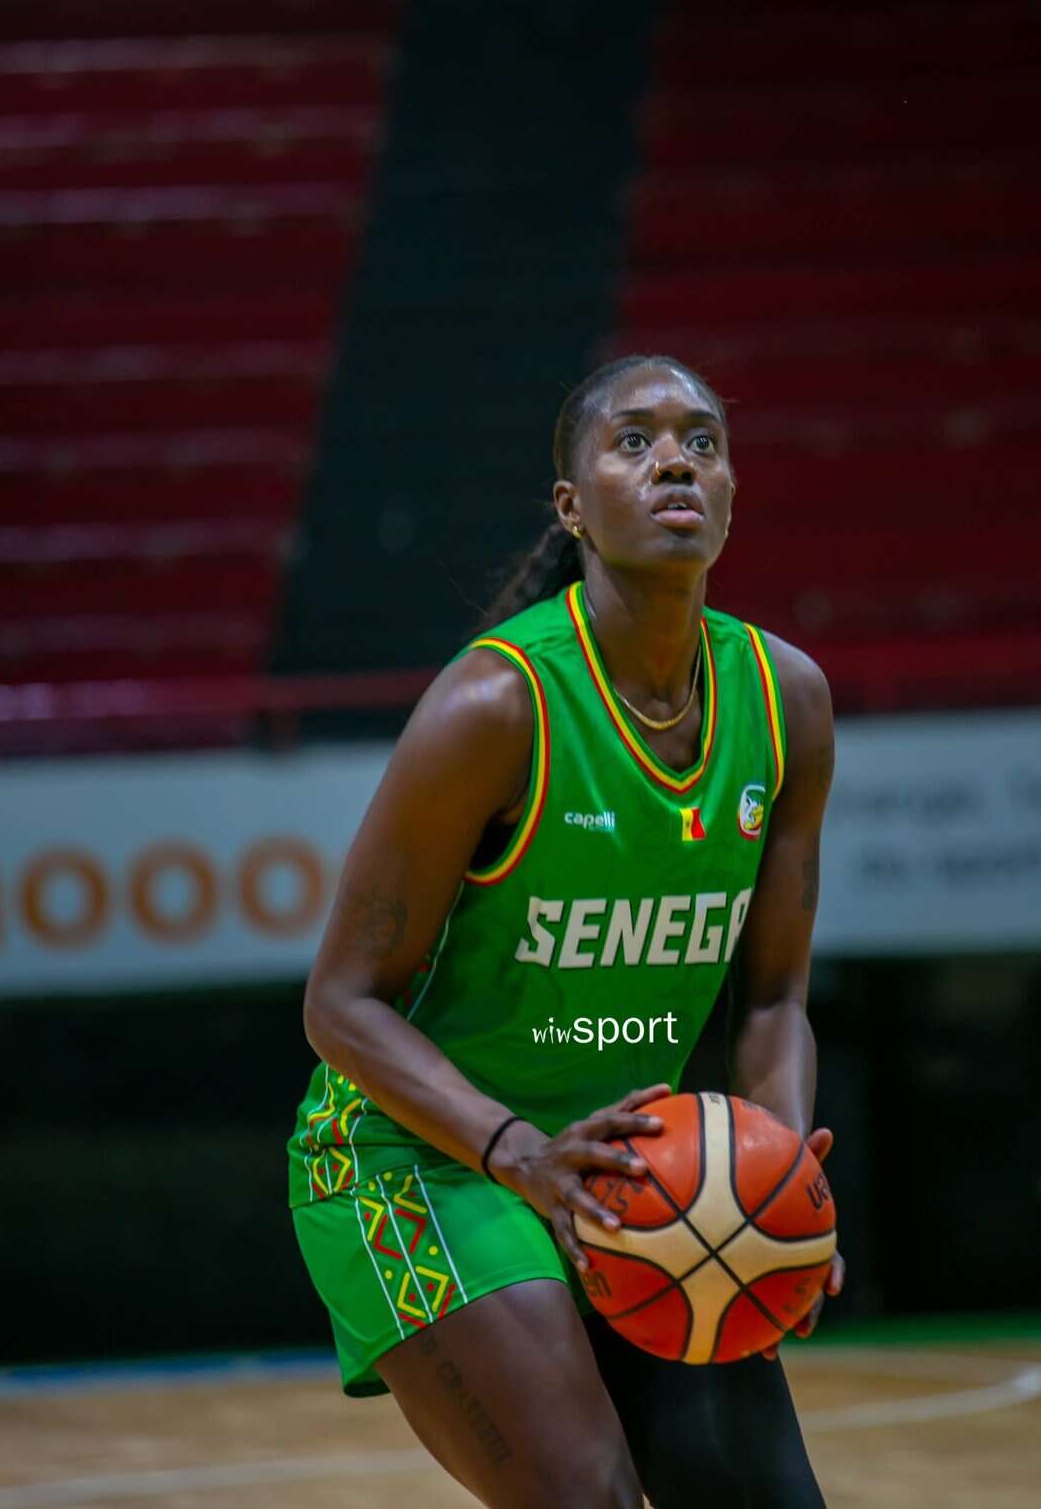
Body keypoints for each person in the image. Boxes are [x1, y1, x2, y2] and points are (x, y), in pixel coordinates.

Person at [289, 353, 843, 1507]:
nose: (675, 459)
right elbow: (339, 1004)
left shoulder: (787, 699)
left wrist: (779, 1177)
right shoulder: (497, 704)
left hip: (622, 1166)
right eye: (632, 442)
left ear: (734, 491)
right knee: (585, 1495)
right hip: (416, 1161)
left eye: (701, 439)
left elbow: (775, 999)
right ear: (571, 504)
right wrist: (515, 1153)